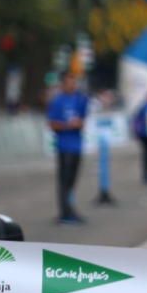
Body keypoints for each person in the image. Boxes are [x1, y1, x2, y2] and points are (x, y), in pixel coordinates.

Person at [46, 72, 89, 224]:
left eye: (74, 82)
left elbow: (84, 121)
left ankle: (69, 208)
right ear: (63, 84)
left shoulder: (80, 99)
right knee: (63, 180)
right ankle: (65, 212)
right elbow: (52, 124)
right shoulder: (57, 101)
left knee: (72, 180)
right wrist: (67, 125)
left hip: (77, 146)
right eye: (69, 82)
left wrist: (79, 123)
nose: (72, 85)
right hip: (64, 146)